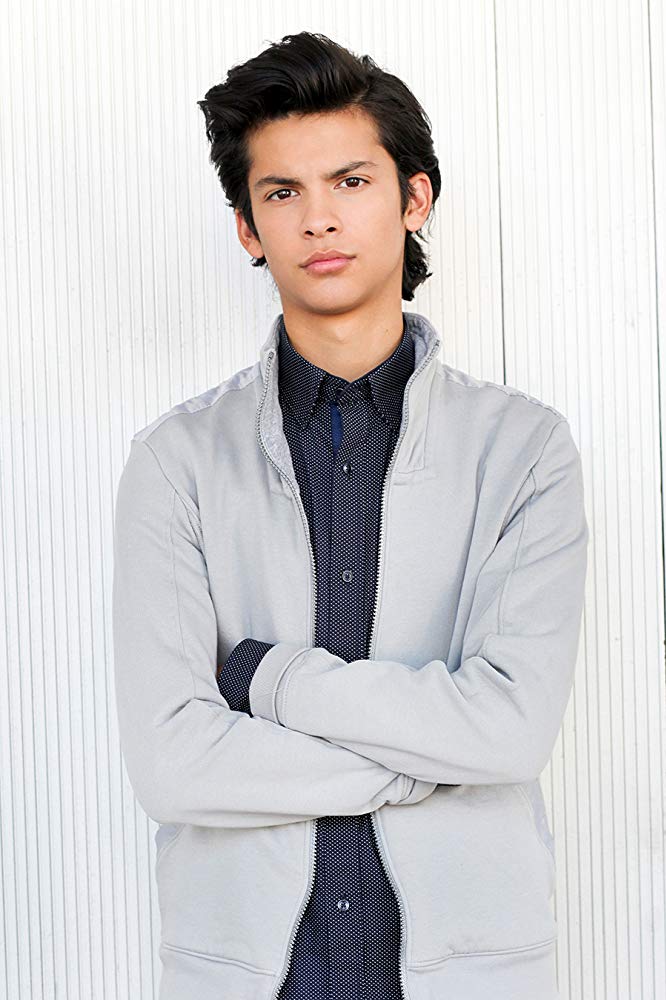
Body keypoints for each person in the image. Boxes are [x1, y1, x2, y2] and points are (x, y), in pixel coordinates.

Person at [112, 30, 589, 1000]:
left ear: (415, 198)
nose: (319, 218)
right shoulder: (174, 462)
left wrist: (269, 678)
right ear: (248, 228)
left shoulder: (525, 451)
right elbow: (173, 765)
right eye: (282, 193)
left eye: (351, 182)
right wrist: (426, 758)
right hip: (249, 979)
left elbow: (509, 731)